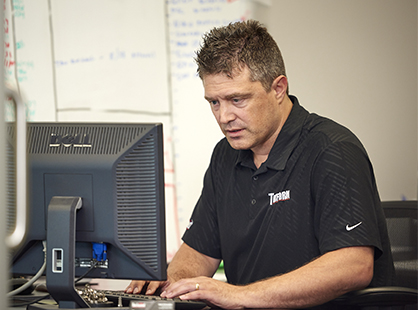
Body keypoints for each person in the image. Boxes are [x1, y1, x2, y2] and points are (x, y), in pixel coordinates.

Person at [125, 20, 394, 309]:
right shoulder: (225, 156)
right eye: (214, 102)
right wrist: (172, 284)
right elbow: (199, 253)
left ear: (278, 88)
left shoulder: (332, 150)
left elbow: (354, 266)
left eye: (236, 99)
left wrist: (237, 295)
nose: (224, 116)